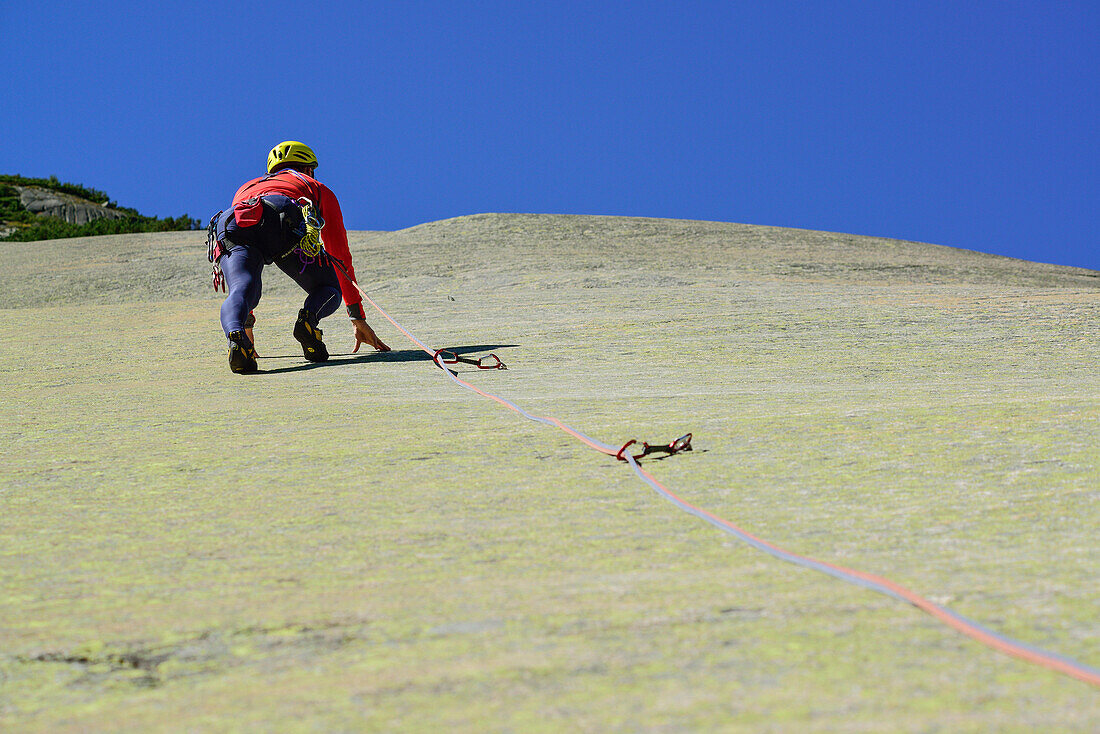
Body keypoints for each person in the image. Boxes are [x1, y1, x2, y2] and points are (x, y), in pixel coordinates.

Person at [209, 141, 390, 373]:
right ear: (308, 169)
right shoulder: (314, 186)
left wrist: (247, 326)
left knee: (242, 287)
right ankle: (308, 322)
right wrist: (357, 316)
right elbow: (339, 255)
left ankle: (236, 334)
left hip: (230, 222)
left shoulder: (246, 188)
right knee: (329, 288)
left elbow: (250, 225)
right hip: (281, 218)